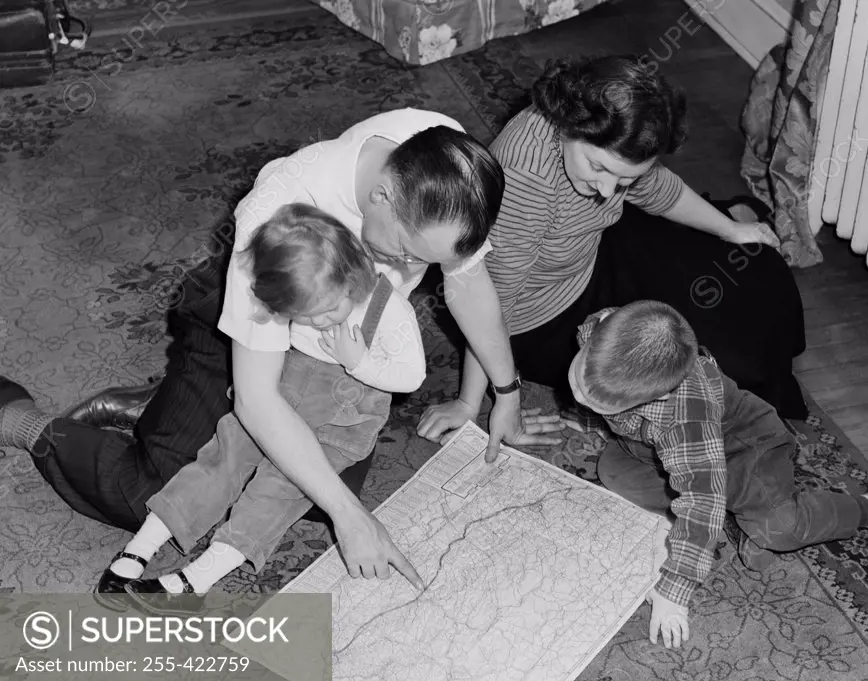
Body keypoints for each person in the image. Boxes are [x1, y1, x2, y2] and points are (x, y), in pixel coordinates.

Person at [0, 109, 561, 559]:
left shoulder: (447, 162)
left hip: (331, 345)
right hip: (251, 320)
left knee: (297, 490)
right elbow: (259, 397)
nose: (415, 267)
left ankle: (167, 404)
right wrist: (351, 516)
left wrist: (503, 393)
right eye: (410, 252)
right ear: (383, 195)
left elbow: (467, 283)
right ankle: (24, 421)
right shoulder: (277, 210)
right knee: (154, 500)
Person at [418, 55, 808, 452]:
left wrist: (731, 230)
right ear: (567, 127)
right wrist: (486, 400)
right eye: (598, 168)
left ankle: (731, 213)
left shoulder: (612, 144)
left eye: (625, 178)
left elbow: (657, 190)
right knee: (710, 368)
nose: (608, 190)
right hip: (536, 315)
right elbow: (490, 301)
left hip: (594, 246)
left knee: (754, 274)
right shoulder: (526, 180)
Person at [567, 301, 868, 649]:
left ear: (658, 396)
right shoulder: (603, 329)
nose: (580, 393)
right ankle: (738, 520)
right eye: (581, 375)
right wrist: (595, 415)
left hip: (744, 450)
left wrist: (675, 591)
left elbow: (702, 502)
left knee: (782, 528)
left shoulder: (686, 415)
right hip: (658, 452)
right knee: (613, 473)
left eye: (595, 397)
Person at [95, 203, 425, 613]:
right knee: (219, 458)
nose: (319, 323)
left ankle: (195, 581)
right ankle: (141, 546)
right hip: (283, 395)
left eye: (325, 312)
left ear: (351, 276)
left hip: (338, 425)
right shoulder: (298, 288)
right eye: (305, 316)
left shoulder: (389, 310)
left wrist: (360, 361)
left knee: (275, 493)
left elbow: (413, 377)